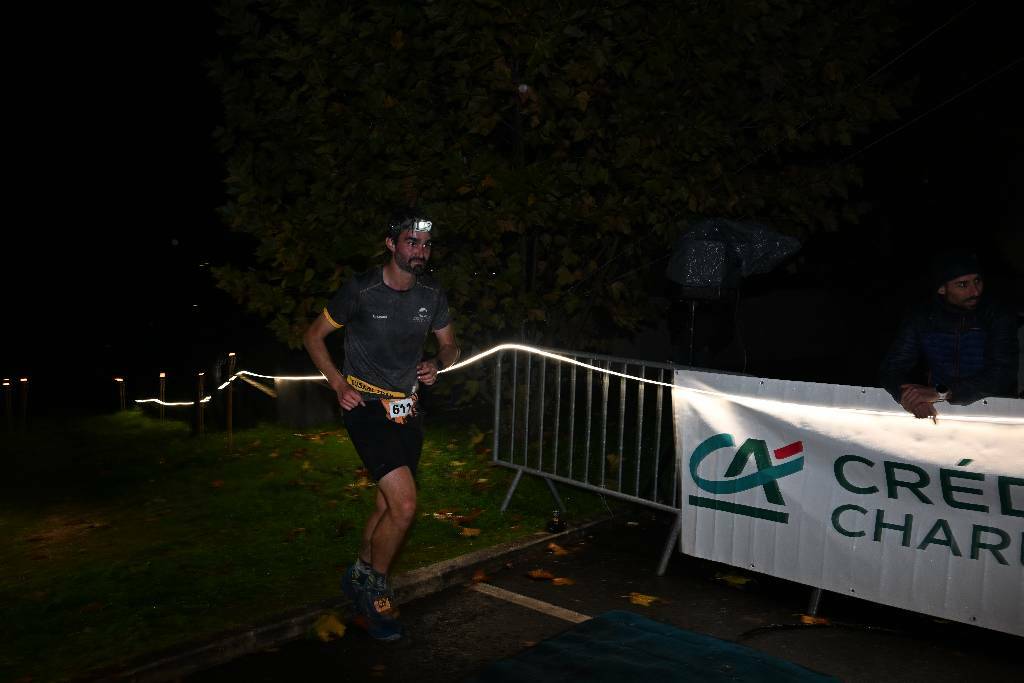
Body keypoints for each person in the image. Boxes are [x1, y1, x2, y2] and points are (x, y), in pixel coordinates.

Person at [303, 213, 460, 640]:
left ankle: (358, 572)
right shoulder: (362, 290)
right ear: (391, 245)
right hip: (365, 405)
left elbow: (451, 344)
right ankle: (375, 589)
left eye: (426, 244)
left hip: (407, 408)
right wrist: (338, 384)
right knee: (405, 505)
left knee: (386, 505)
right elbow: (313, 336)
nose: (420, 251)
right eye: (412, 242)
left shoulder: (431, 293)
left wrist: (438, 363)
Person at [879, 249, 1018, 419]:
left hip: (995, 409)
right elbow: (892, 368)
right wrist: (909, 398)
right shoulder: (922, 317)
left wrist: (942, 392)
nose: (975, 291)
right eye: (963, 285)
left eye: (977, 281)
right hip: (941, 409)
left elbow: (1003, 373)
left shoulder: (996, 315)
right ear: (941, 289)